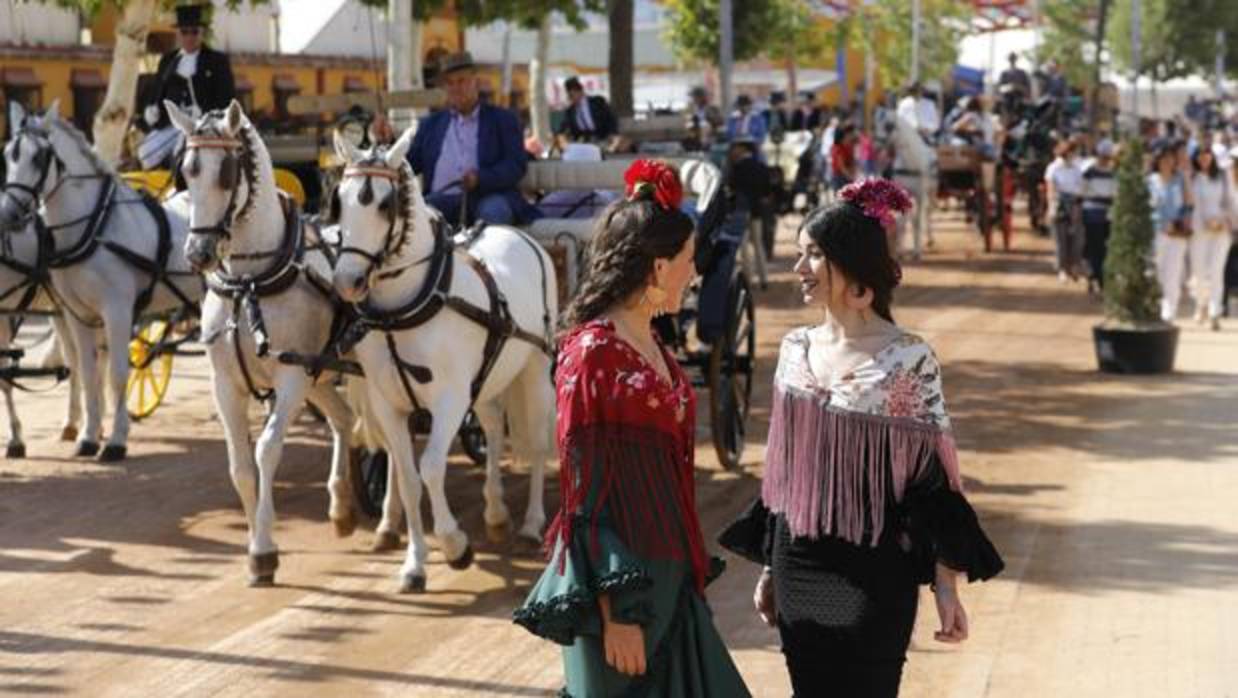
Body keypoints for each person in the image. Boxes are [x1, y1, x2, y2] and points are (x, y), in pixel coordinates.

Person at [719, 179, 1003, 697]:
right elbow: (783, 474)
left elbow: (934, 481)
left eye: (813, 255)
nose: (798, 269)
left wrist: (945, 584)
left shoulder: (909, 358)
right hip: (797, 563)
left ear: (851, 266)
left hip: (878, 570)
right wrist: (769, 568)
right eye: (800, 254)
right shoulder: (793, 349)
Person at [514, 159, 750, 698]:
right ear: (657, 268)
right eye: (689, 260)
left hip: (670, 574)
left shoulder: (655, 346)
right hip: (623, 595)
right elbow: (584, 492)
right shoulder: (593, 353)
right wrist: (614, 611)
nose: (694, 272)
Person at [405, 51, 538, 227]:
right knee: (414, 216)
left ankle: (489, 255)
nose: (455, 88)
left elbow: (515, 165)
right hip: (440, 199)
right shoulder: (430, 125)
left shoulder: (503, 119)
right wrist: (385, 141)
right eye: (450, 83)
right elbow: (408, 165)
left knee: (493, 212)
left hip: (489, 197)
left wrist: (480, 178)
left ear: (476, 82)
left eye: (461, 81)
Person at [137, 3, 235, 170]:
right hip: (170, 125)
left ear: (202, 33)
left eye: (194, 32)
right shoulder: (168, 61)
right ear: (178, 33)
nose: (190, 37)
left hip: (204, 129)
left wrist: (206, 115)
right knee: (145, 153)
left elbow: (226, 99)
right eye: (184, 32)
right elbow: (158, 92)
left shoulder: (217, 61)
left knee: (186, 156)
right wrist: (151, 110)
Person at [1188, 146, 1233, 330]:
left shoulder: (1222, 177)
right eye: (1201, 155)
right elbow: (1190, 205)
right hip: (1198, 230)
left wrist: (1222, 219)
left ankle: (1215, 311)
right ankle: (1201, 305)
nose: (1204, 158)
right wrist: (1204, 222)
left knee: (1216, 271)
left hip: (1221, 230)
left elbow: (1229, 201)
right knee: (1199, 271)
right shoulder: (1192, 178)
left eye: (1207, 154)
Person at [1148, 143, 1193, 322]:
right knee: (1156, 272)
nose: (1167, 162)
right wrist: (1160, 224)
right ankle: (1156, 307)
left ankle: (1169, 313)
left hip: (1176, 232)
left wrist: (1179, 223)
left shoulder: (1180, 179)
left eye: (1170, 158)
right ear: (1157, 161)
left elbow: (1189, 203)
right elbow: (1146, 208)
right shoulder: (1150, 180)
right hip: (1156, 232)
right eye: (1163, 158)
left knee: (1173, 273)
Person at [1044, 138, 1086, 282]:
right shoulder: (1053, 168)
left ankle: (1074, 266)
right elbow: (1050, 188)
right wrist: (1051, 206)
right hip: (1059, 203)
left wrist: (1078, 204)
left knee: (1077, 238)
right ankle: (1062, 269)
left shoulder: (1077, 168)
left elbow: (1081, 187)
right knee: (1060, 239)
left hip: (1075, 203)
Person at [1080, 139, 1118, 294]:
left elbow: (1116, 192)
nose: (1105, 159)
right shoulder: (1089, 172)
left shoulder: (1113, 173)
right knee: (1094, 248)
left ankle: (1102, 278)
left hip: (1108, 215)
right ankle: (1095, 277)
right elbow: (1083, 192)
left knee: (1106, 249)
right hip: (1092, 214)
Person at [556, 76, 618, 145]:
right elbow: (563, 127)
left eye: (572, 95)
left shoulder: (597, 102)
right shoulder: (570, 111)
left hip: (602, 138)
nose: (571, 99)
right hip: (583, 141)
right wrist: (559, 135)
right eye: (569, 96)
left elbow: (611, 118)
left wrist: (613, 133)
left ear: (580, 92)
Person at [684, 86, 724, 151]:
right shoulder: (692, 110)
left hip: (710, 140)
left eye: (695, 97)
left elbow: (720, 123)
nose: (693, 99)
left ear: (701, 97)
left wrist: (709, 121)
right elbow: (689, 126)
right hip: (696, 141)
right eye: (693, 97)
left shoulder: (712, 109)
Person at [829, 123, 858, 191]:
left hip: (848, 175)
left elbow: (852, 161)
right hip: (840, 177)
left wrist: (854, 173)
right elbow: (842, 167)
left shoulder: (849, 146)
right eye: (846, 136)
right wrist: (851, 177)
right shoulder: (837, 148)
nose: (849, 137)